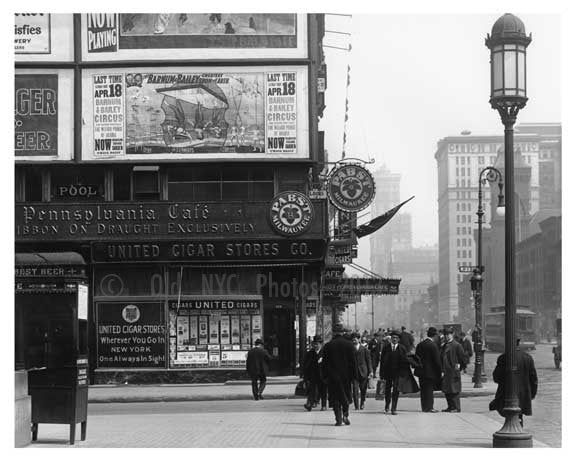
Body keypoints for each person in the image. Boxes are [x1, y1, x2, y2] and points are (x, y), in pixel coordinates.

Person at [490, 338, 538, 427]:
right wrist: (532, 394)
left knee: (509, 413)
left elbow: (496, 377)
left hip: (507, 393)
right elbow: (534, 379)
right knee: (519, 415)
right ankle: (519, 426)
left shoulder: (503, 358)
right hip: (524, 393)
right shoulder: (528, 358)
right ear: (518, 344)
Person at [321, 324, 358, 426]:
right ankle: (345, 414)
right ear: (343, 332)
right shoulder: (349, 345)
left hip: (333, 377)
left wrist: (325, 376)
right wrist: (354, 376)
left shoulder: (328, 346)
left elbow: (324, 363)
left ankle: (338, 419)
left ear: (333, 332)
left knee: (335, 397)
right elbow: (353, 362)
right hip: (346, 377)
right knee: (345, 395)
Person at [379, 330, 409, 415]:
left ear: (399, 339)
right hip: (387, 373)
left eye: (396, 338)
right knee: (387, 390)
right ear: (390, 339)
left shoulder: (402, 348)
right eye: (393, 338)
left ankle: (394, 408)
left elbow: (405, 362)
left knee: (396, 390)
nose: (395, 339)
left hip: (397, 374)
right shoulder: (386, 348)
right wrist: (381, 374)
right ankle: (387, 404)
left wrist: (404, 373)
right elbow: (382, 362)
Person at [440, 327, 468, 412]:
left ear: (452, 334)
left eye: (449, 334)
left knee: (454, 390)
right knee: (447, 390)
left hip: (453, 371)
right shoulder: (445, 345)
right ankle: (450, 406)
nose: (447, 336)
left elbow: (462, 358)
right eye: (446, 334)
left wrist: (459, 367)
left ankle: (456, 407)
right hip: (446, 371)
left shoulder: (457, 345)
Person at [415, 327, 443, 412]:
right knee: (429, 390)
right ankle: (430, 407)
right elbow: (437, 361)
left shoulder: (420, 344)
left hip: (421, 371)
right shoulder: (433, 346)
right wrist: (440, 371)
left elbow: (416, 358)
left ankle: (424, 407)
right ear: (434, 336)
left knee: (423, 390)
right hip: (431, 372)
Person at [303, 335, 324, 411]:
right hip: (312, 375)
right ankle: (309, 404)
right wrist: (305, 377)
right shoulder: (309, 353)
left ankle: (321, 403)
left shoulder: (324, 352)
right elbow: (305, 365)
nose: (315, 345)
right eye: (314, 344)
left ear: (320, 344)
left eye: (317, 344)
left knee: (321, 390)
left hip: (322, 375)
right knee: (312, 390)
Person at [352, 336, 372, 410]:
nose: (354, 341)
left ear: (359, 340)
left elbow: (368, 361)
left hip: (363, 372)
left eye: (355, 339)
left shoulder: (364, 349)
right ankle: (356, 406)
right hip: (354, 372)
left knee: (363, 389)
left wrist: (371, 371)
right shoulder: (350, 349)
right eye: (353, 340)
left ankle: (362, 402)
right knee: (355, 390)